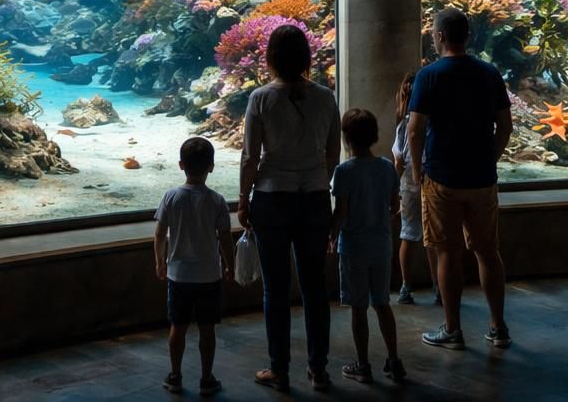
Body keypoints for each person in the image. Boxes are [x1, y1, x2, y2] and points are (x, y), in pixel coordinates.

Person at [238, 23, 341, 392]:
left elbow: (250, 156)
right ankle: (319, 369)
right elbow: (333, 152)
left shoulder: (261, 98)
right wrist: (317, 180)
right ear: (306, 57)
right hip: (314, 199)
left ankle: (279, 369)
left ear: (271, 58)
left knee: (275, 289)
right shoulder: (326, 97)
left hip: (272, 198)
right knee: (315, 287)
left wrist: (243, 198)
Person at [408, 7, 514, 350]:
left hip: (442, 178)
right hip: (482, 179)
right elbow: (505, 126)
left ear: (439, 36)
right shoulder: (489, 73)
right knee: (488, 252)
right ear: (468, 36)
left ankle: (452, 330)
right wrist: (490, 158)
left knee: (447, 254)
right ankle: (498, 327)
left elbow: (415, 129)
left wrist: (416, 171)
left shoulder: (428, 75)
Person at [154, 136, 236, 396]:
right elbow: (225, 237)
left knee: (177, 327)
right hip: (209, 276)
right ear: (211, 166)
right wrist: (230, 265)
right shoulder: (217, 200)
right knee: (207, 329)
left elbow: (159, 233)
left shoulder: (171, 197)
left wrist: (159, 261)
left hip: (179, 275)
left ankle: (175, 375)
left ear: (181, 165)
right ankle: (206, 378)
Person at [329, 108, 405, 384]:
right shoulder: (386, 167)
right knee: (383, 303)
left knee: (358, 307)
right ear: (374, 135)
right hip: (381, 245)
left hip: (353, 248)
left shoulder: (343, 171)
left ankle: (362, 365)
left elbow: (341, 212)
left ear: (346, 137)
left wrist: (331, 235)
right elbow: (394, 206)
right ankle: (394, 360)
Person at [391, 71, 439, 307]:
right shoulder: (434, 122)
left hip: (409, 183)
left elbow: (398, 160)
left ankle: (405, 286)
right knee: (434, 237)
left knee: (408, 234)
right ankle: (439, 287)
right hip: (432, 179)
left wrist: (395, 188)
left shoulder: (403, 124)